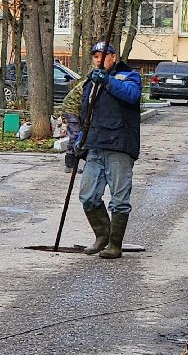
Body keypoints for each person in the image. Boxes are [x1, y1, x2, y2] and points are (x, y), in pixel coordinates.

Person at [59, 41, 143, 259]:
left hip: (119, 145)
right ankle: (102, 235)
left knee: (119, 199)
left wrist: (108, 82)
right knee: (88, 195)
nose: (99, 60)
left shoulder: (129, 76)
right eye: (95, 56)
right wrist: (78, 139)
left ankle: (115, 244)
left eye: (103, 56)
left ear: (113, 57)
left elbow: (131, 95)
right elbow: (82, 112)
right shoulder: (90, 82)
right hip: (95, 146)